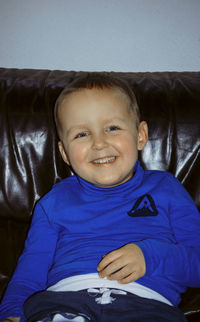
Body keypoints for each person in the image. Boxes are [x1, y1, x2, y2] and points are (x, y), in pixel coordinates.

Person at [0, 73, 200, 322]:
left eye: (112, 128)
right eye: (82, 134)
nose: (99, 143)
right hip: (62, 303)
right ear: (64, 153)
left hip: (148, 307)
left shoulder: (167, 189)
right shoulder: (54, 203)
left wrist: (151, 256)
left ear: (140, 135)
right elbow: (29, 274)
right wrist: (10, 315)